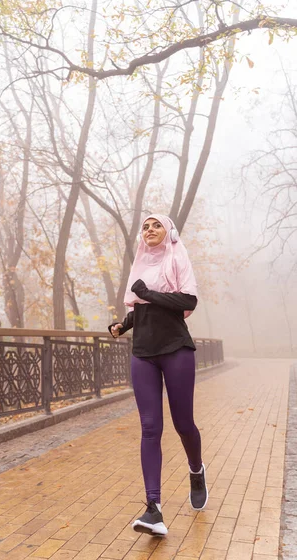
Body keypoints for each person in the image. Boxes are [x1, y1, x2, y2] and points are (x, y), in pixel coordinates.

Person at [108, 214, 208, 537]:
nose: (150, 230)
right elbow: (141, 308)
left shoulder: (177, 258)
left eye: (156, 226)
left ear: (168, 233)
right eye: (145, 227)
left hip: (176, 349)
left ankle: (196, 469)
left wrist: (148, 293)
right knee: (150, 427)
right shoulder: (140, 267)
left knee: (183, 424)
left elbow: (187, 300)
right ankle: (154, 509)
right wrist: (123, 324)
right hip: (143, 353)